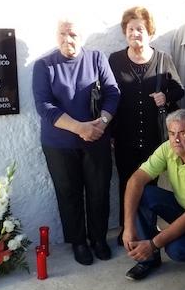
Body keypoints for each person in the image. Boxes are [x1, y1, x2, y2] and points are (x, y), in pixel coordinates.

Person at [32, 18, 120, 265]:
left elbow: (113, 93)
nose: (67, 39)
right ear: (55, 35)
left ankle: (98, 238)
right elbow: (44, 106)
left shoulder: (96, 59)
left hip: (97, 139)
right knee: (68, 193)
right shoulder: (45, 65)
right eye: (62, 34)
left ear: (82, 36)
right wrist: (79, 128)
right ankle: (79, 242)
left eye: (73, 34)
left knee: (99, 191)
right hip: (59, 144)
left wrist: (101, 123)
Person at [108, 7, 184, 243]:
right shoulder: (115, 60)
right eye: (130, 29)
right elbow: (109, 96)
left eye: (140, 29)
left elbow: (178, 89)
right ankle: (126, 229)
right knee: (125, 183)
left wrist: (166, 97)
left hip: (153, 137)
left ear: (149, 31)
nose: (135, 33)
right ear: (125, 32)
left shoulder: (162, 60)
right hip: (124, 137)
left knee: (149, 186)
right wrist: (109, 132)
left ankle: (146, 230)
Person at [121, 109, 185, 280]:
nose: (176, 139)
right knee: (144, 193)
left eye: (183, 133)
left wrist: (154, 244)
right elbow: (135, 181)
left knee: (176, 250)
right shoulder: (167, 148)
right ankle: (148, 260)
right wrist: (128, 227)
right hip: (182, 207)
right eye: (172, 133)